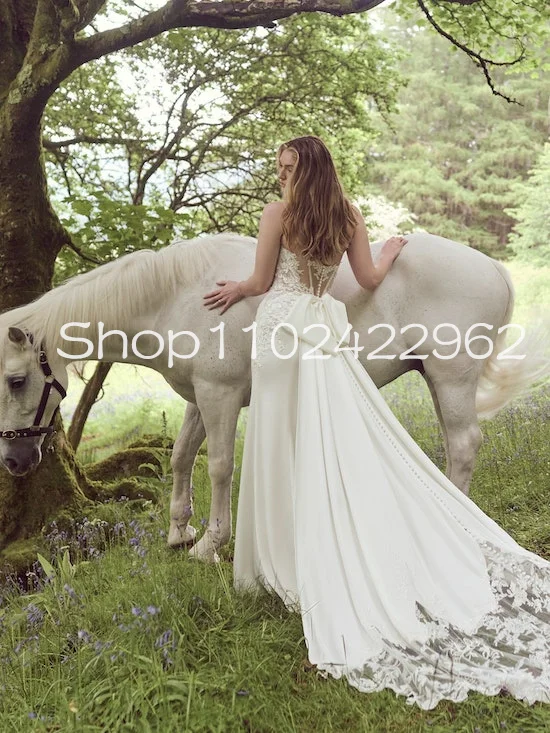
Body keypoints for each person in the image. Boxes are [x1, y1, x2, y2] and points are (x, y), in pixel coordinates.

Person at [202, 135, 550, 710]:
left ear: (303, 171)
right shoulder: (346, 217)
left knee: (276, 445)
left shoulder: (277, 215)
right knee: (323, 439)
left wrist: (236, 287)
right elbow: (366, 280)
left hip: (282, 329)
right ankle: (316, 543)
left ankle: (277, 562)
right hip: (321, 329)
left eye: (286, 169)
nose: (281, 178)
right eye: (280, 170)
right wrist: (389, 254)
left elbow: (262, 283)